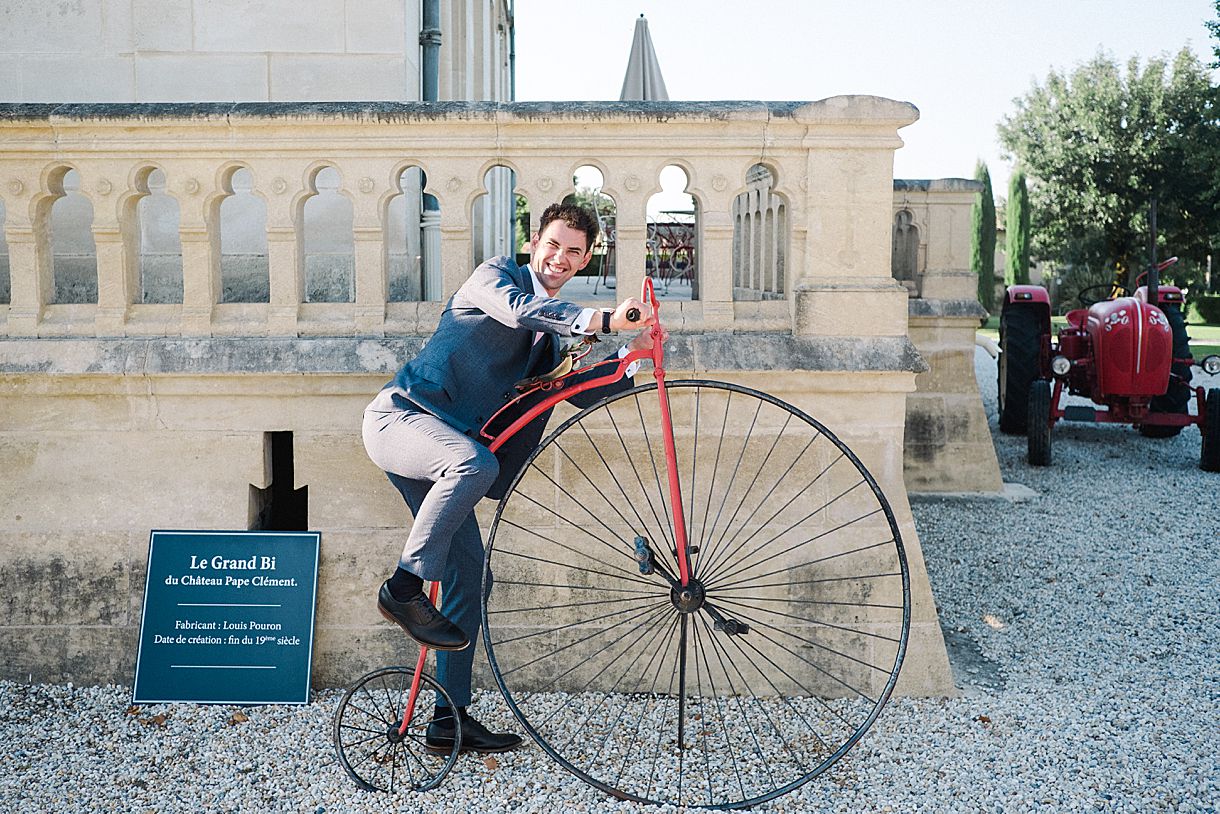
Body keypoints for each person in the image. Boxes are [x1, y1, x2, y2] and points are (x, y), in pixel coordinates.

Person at [361, 202, 663, 753]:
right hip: (402, 420)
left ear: (587, 258)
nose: (560, 258)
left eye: (574, 251)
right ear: (534, 242)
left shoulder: (551, 343)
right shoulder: (493, 278)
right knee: (475, 464)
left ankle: (447, 720)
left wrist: (632, 355)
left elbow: (580, 389)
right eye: (553, 244)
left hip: (447, 452)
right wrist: (604, 322)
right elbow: (522, 311)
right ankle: (402, 589)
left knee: (470, 578)